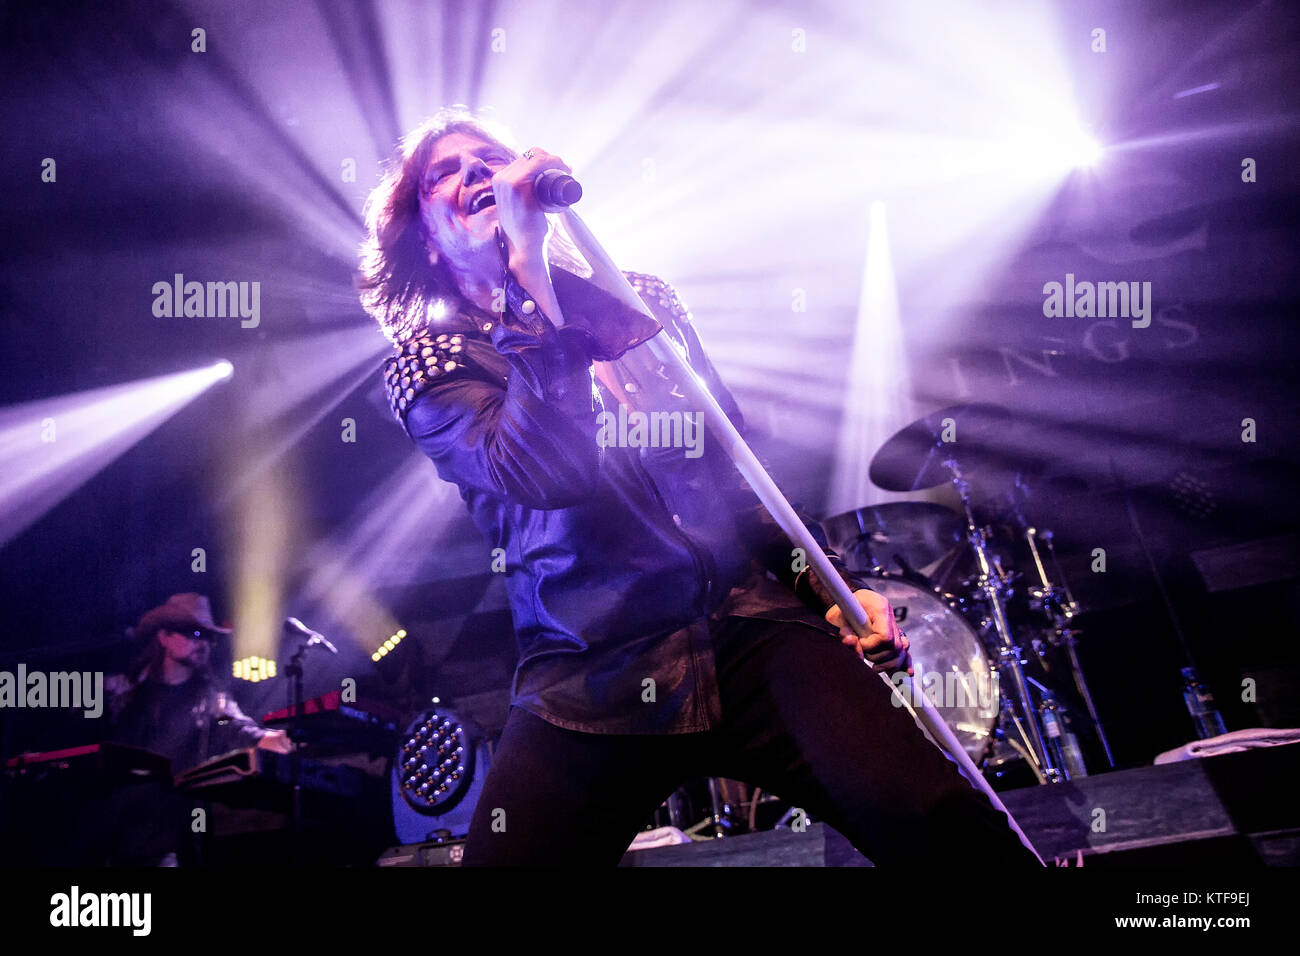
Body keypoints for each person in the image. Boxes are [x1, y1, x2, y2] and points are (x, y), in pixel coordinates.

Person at [358, 107, 1041, 866]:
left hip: (750, 626)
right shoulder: (431, 363)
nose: (475, 172)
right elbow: (551, 475)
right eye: (443, 173)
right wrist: (529, 280)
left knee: (943, 822)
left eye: (487, 155)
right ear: (424, 234)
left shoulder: (636, 299)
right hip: (592, 673)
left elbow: (739, 478)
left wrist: (832, 590)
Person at [106, 592, 291, 864]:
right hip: (123, 831)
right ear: (164, 637)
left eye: (209, 637)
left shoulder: (213, 700)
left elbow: (240, 730)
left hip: (176, 835)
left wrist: (284, 738)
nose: (203, 643)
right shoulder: (125, 694)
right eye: (194, 633)